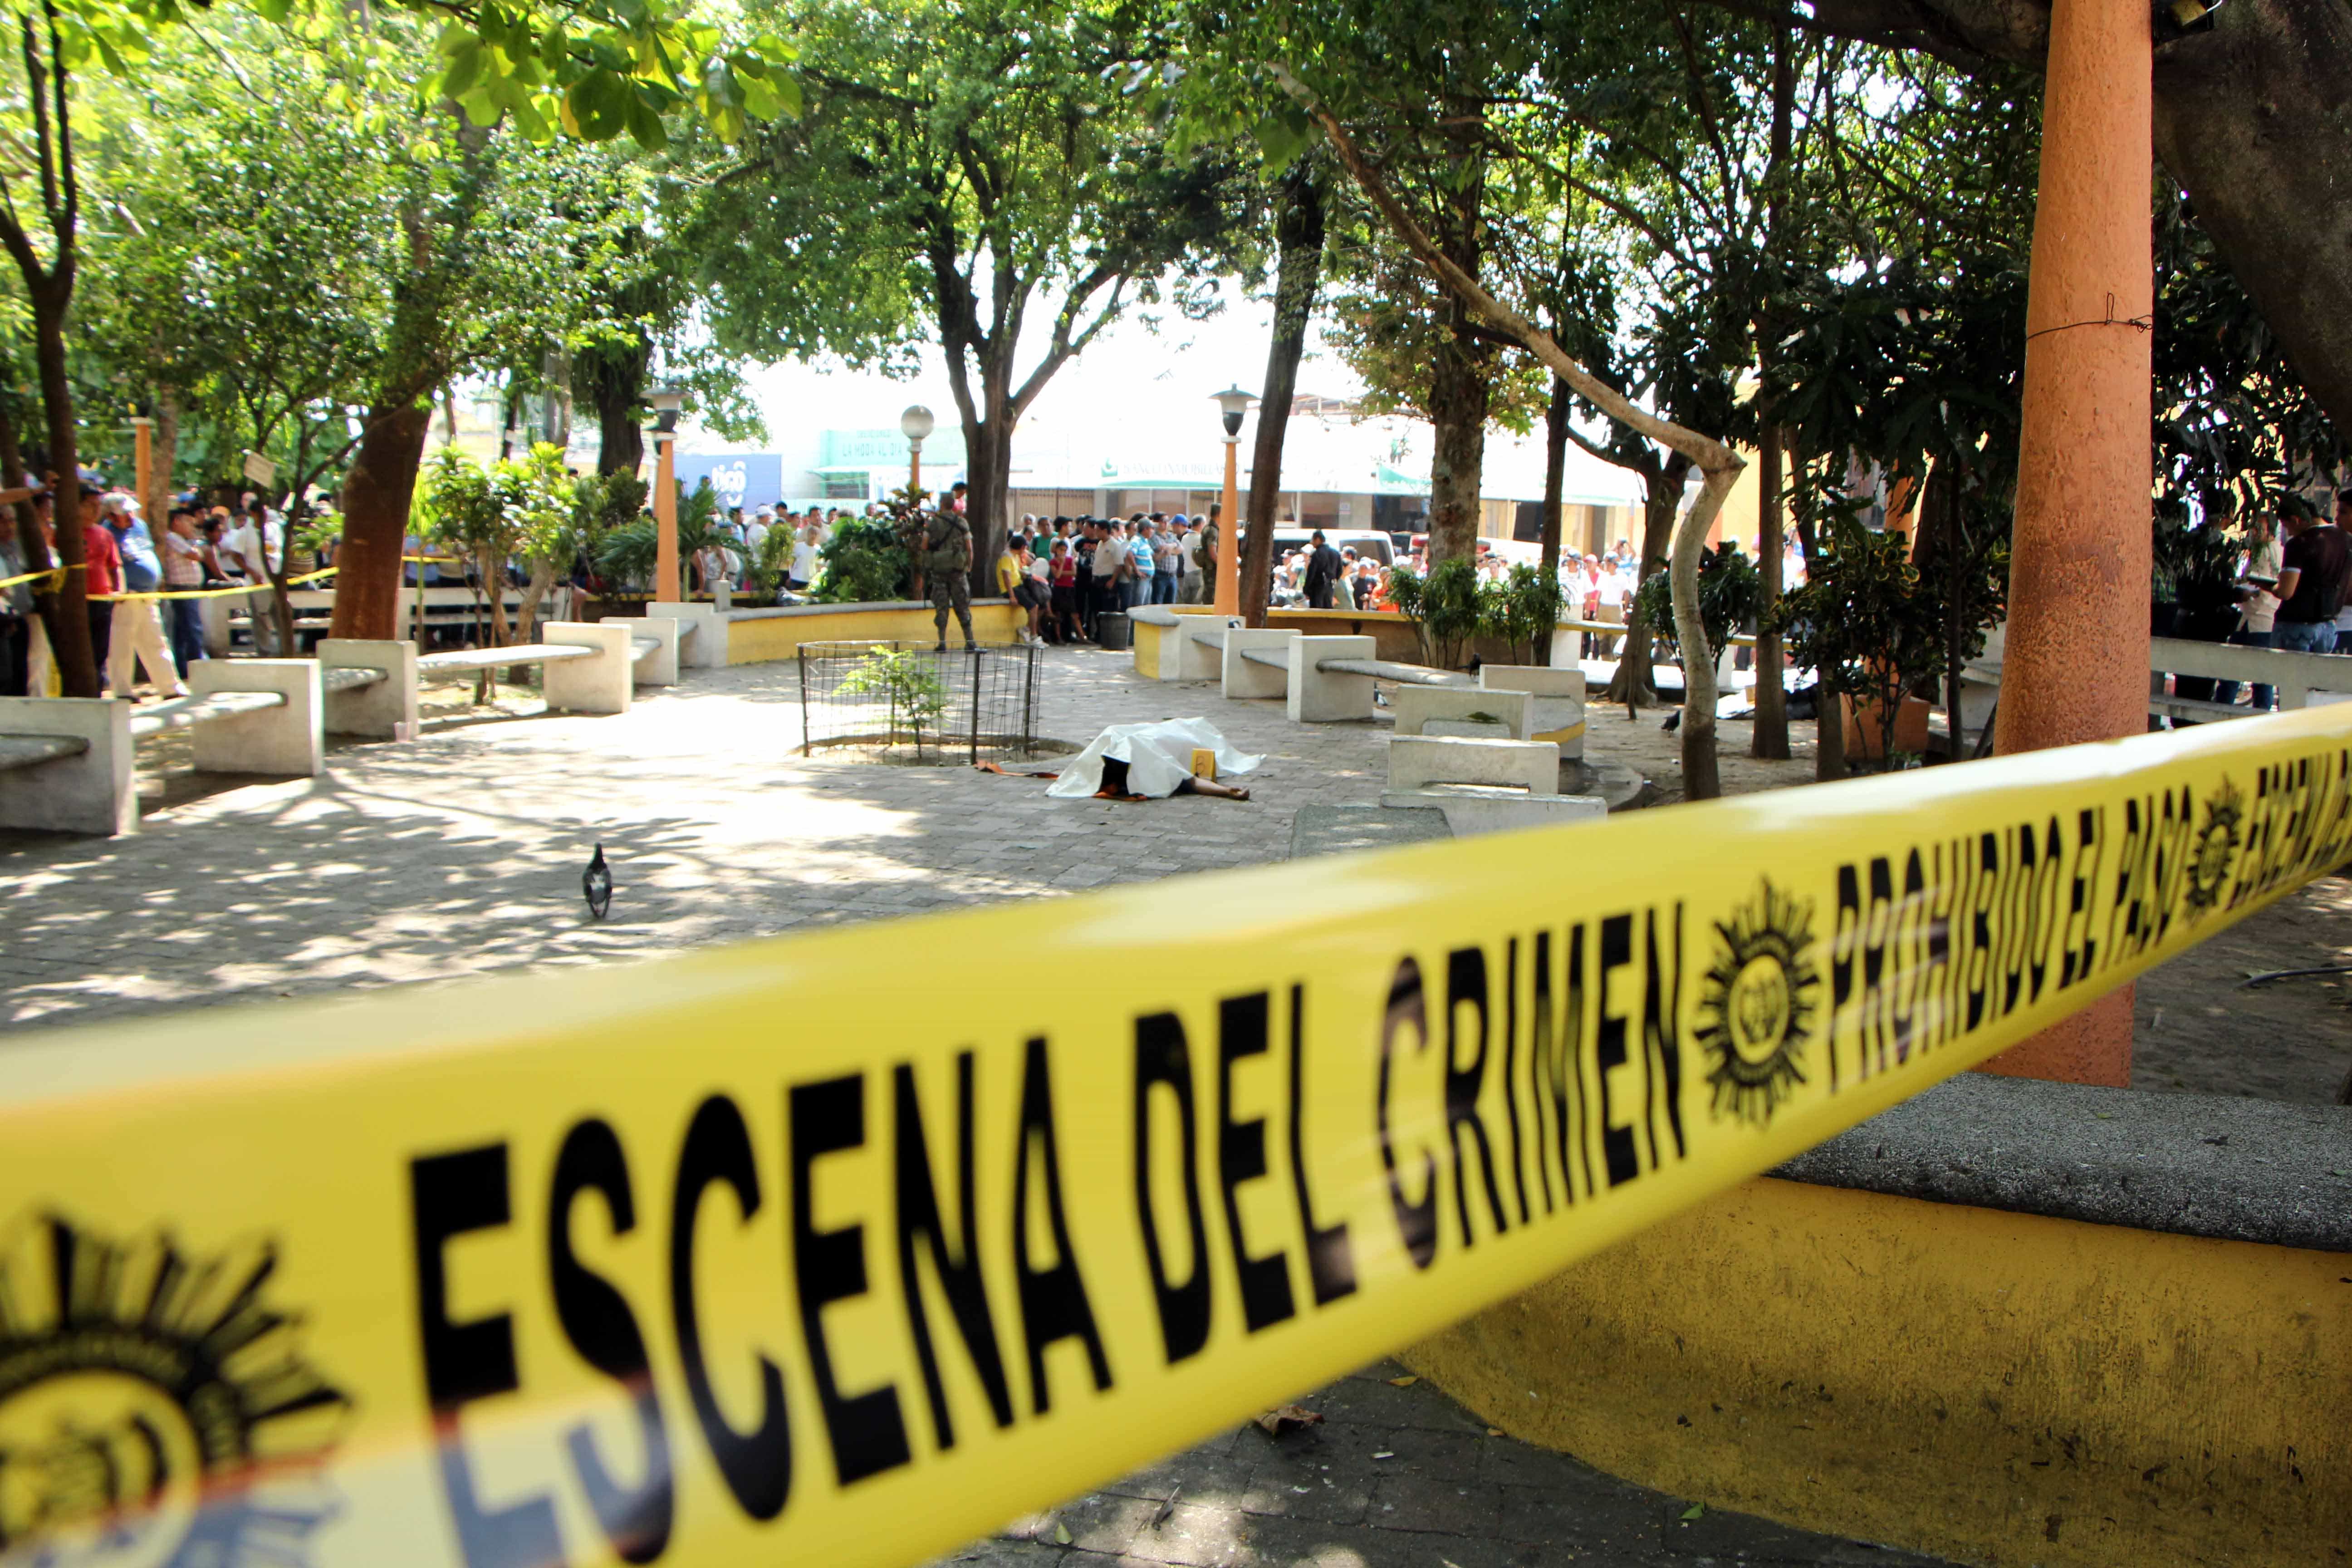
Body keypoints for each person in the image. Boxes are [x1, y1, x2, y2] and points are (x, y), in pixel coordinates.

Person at [102, 495, 185, 699]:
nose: (130, 516)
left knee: (156, 641)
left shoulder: (140, 525)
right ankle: (122, 692)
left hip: (148, 595)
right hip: (127, 597)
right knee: (122, 644)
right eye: (124, 513)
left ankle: (170, 687)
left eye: (131, 511)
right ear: (112, 516)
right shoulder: (107, 533)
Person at [2216, 512, 2283, 710]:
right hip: (2252, 619)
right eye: (2253, 527)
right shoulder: (2267, 550)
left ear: (2270, 531)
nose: (2254, 532)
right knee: (2250, 677)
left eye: (2259, 528)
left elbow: (2262, 586)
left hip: (2260, 618)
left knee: (2251, 677)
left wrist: (2243, 593)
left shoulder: (2268, 552)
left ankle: (2225, 713)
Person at [2270, 493, 2348, 654]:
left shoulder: (2299, 543)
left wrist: (2272, 587)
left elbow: (2286, 592)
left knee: (2287, 676)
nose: (2290, 533)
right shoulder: (2345, 540)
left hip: (2296, 624)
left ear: (2296, 519)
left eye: (2287, 526)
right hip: (2328, 624)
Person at [919, 506, 975, 651]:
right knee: (963, 607)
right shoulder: (962, 523)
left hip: (939, 572)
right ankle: (970, 642)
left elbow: (924, 546)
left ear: (942, 505)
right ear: (953, 506)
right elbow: (969, 548)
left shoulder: (933, 523)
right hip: (958, 572)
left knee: (941, 608)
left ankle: (942, 643)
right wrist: (969, 567)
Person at [1091, 519, 1127, 630]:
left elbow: (1119, 564)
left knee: (1108, 608)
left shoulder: (1115, 545)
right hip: (1097, 579)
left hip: (1108, 579)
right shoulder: (1100, 543)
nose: (1096, 533)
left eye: (1098, 531)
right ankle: (1099, 633)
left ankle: (1108, 632)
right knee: (1096, 607)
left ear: (1105, 531)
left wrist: (1113, 580)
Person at [1049, 539, 1081, 645]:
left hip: (1069, 588)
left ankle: (1082, 636)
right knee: (1058, 613)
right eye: (1061, 550)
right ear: (1057, 550)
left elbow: (1074, 573)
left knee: (1074, 614)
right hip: (1059, 589)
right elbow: (1057, 576)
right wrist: (1062, 565)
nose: (1063, 553)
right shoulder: (1053, 562)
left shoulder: (1070, 559)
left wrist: (1062, 572)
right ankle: (1058, 637)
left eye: (1065, 550)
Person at [1152, 521, 1181, 605]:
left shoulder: (1171, 536)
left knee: (1171, 604)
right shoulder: (1154, 537)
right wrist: (1173, 546)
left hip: (1173, 576)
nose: (1165, 523)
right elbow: (1157, 556)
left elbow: (1181, 549)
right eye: (1162, 521)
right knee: (1158, 603)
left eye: (1167, 521)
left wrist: (1170, 548)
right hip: (1160, 575)